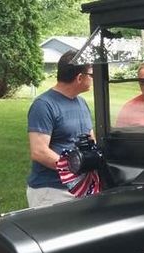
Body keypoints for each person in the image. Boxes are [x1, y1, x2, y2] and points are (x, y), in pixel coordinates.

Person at [26, 50, 94, 207]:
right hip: (51, 191)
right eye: (91, 75)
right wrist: (75, 167)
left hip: (81, 188)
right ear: (79, 77)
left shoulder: (82, 103)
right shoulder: (44, 105)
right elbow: (39, 152)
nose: (93, 79)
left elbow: (91, 140)